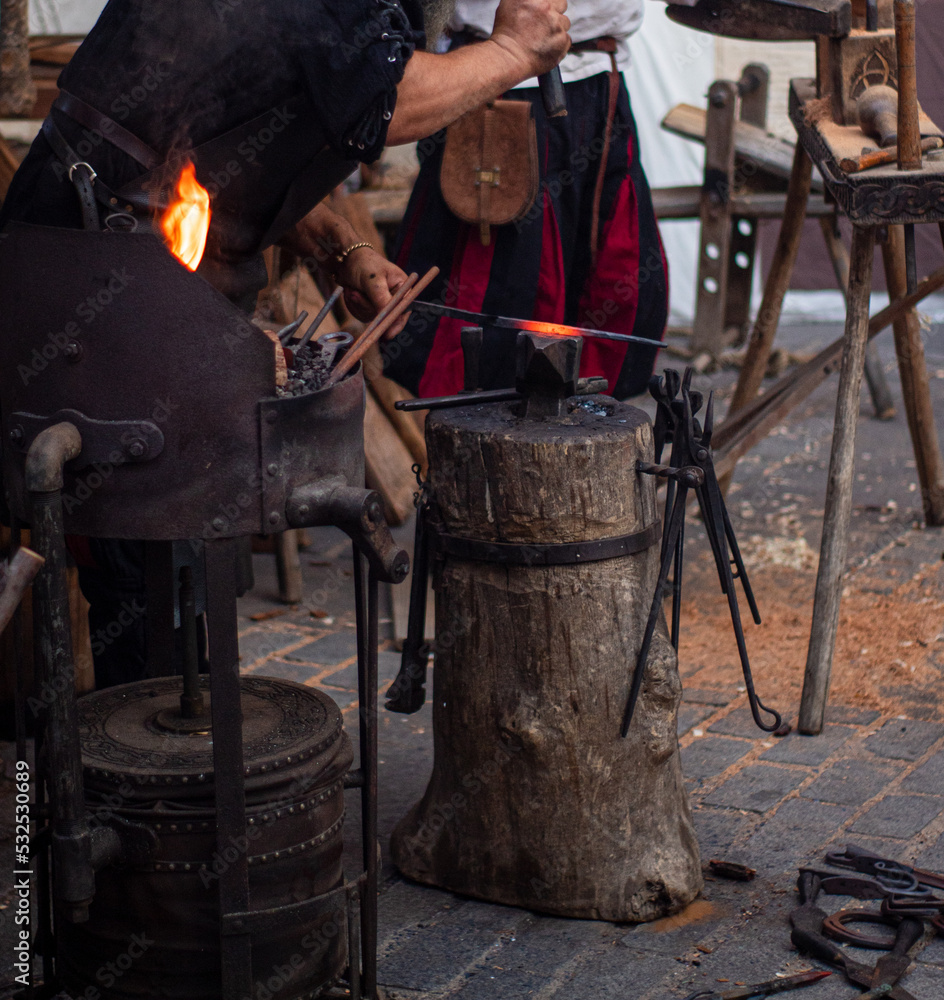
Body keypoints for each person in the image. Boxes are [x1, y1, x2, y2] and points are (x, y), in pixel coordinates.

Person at [0, 0, 571, 686]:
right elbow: (379, 102)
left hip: (147, 266)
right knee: (136, 533)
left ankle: (178, 703)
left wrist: (340, 245)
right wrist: (513, 53)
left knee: (171, 537)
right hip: (95, 258)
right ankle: (143, 725)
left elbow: (244, 132)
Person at [383, 0, 667, 400]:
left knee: (611, 290)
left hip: (602, 87)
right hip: (493, 85)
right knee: (496, 316)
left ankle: (580, 424)